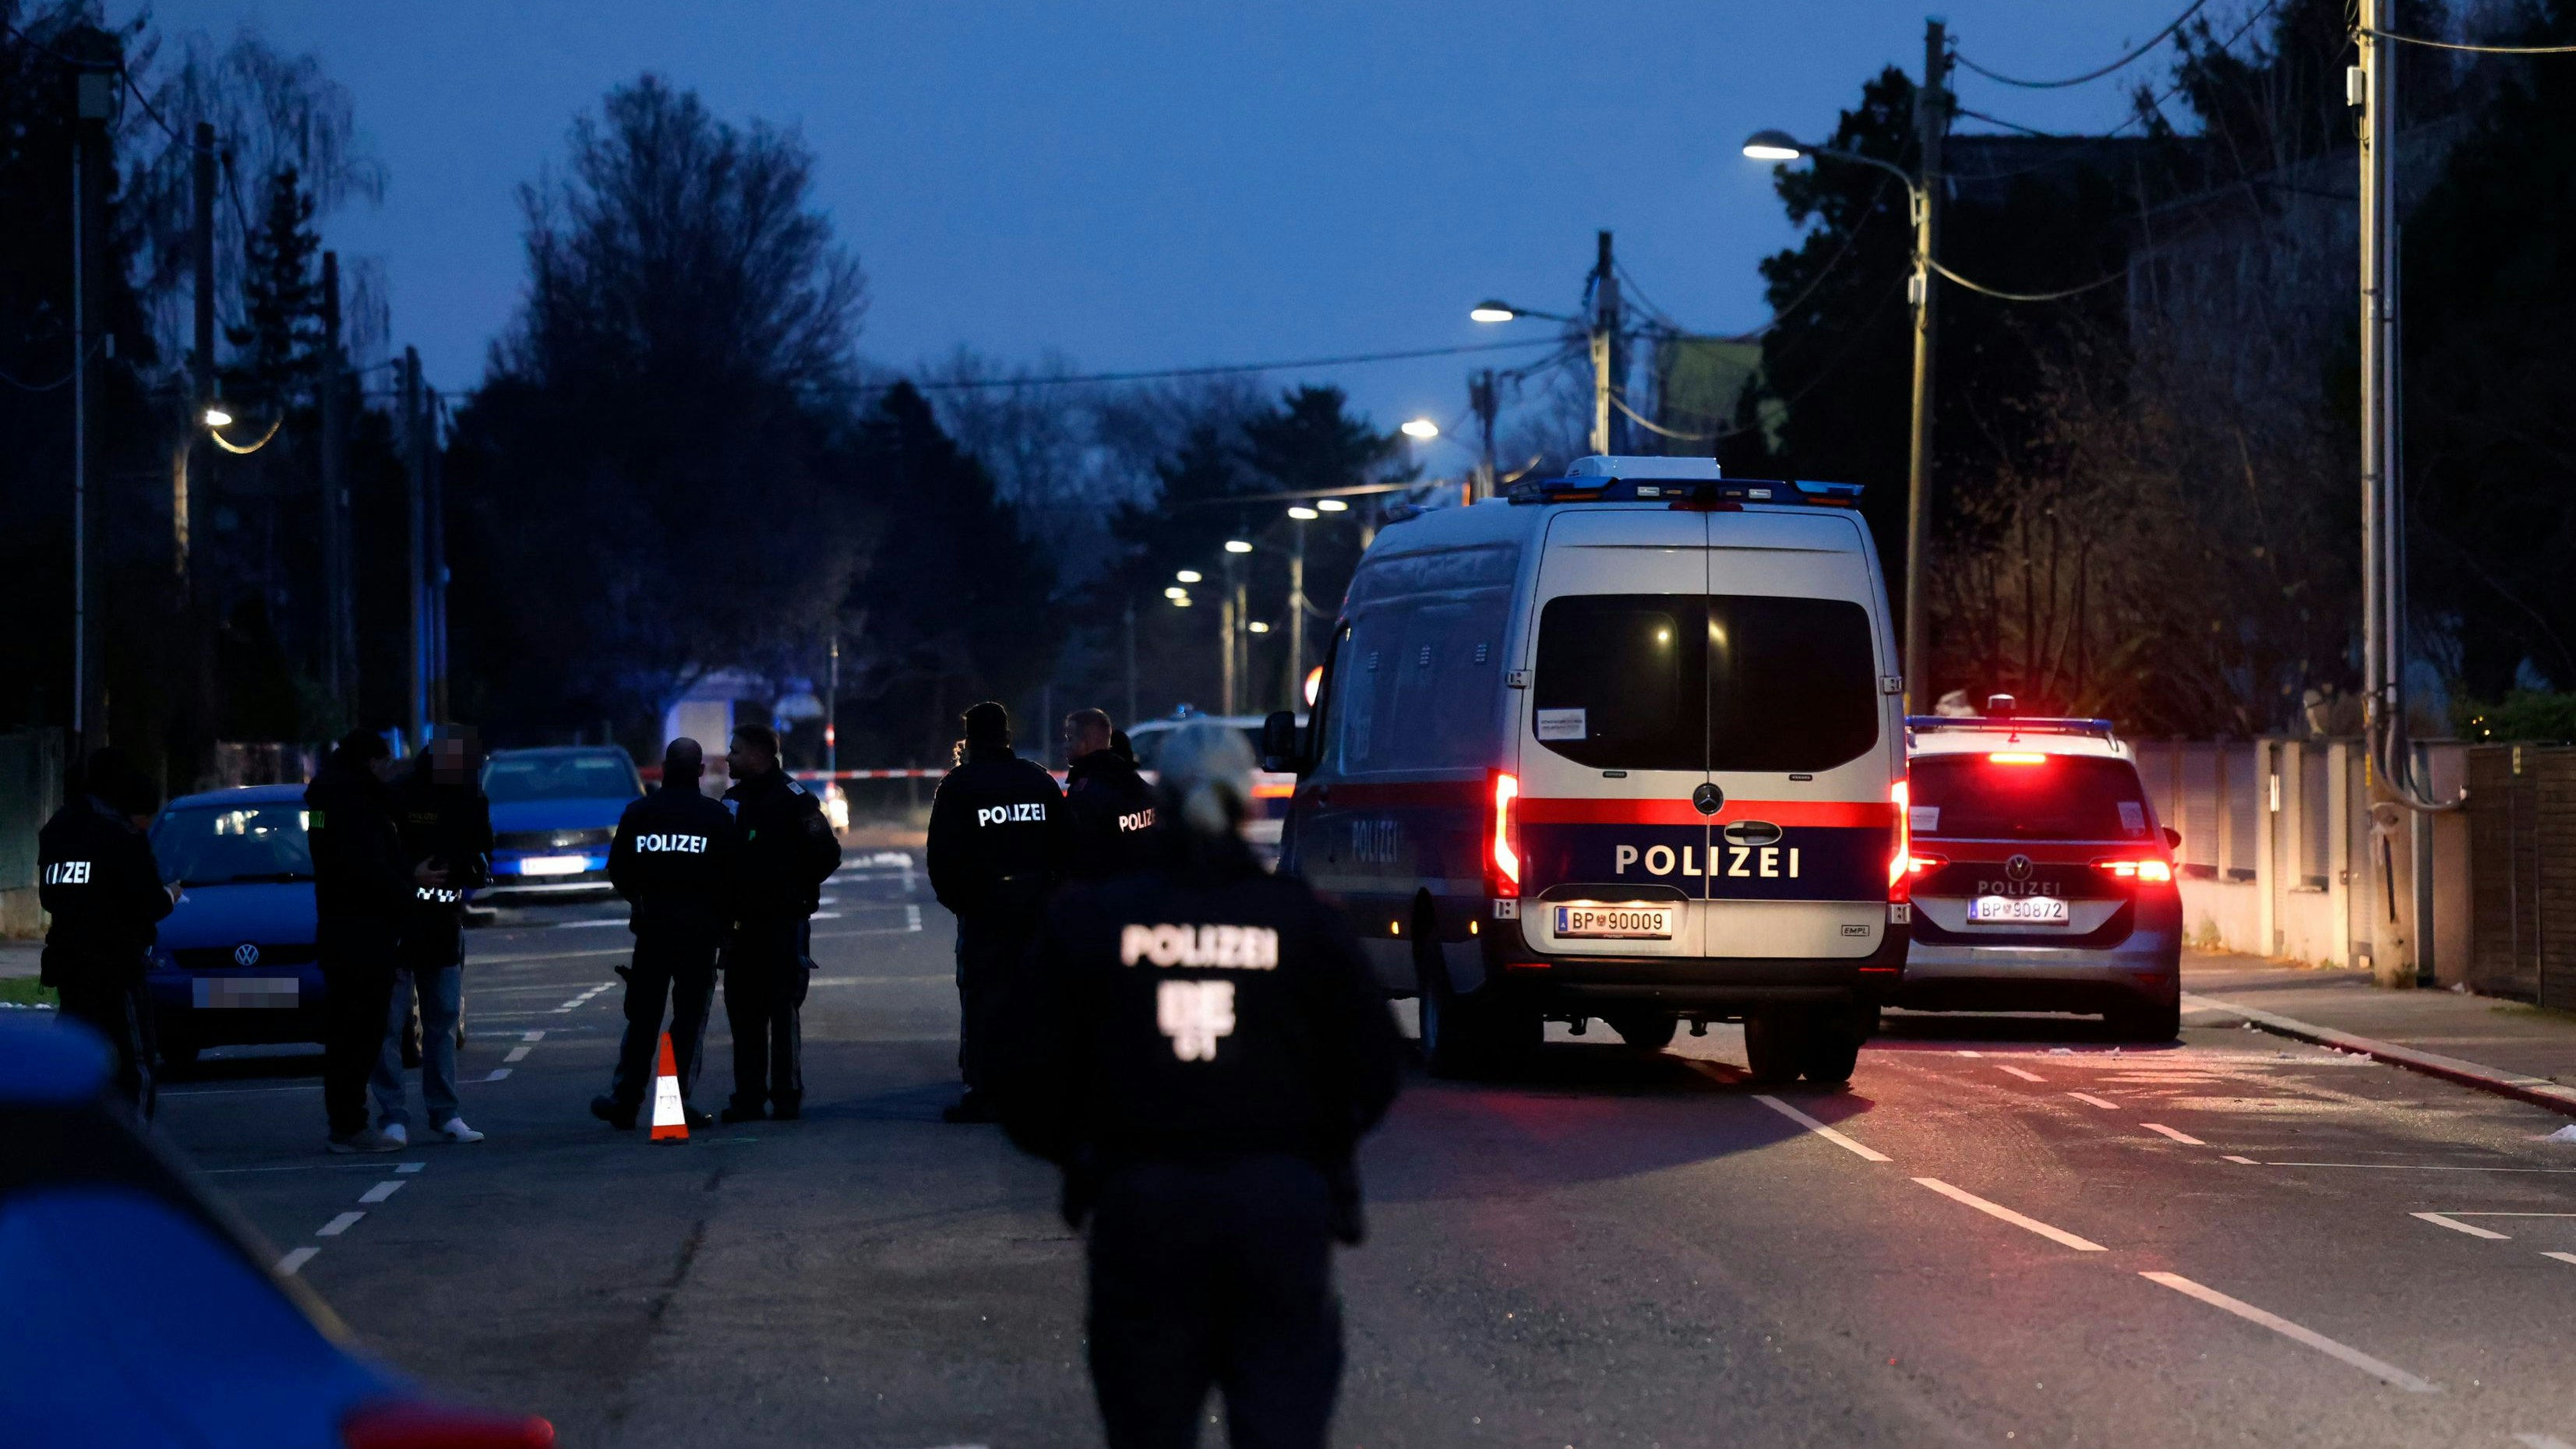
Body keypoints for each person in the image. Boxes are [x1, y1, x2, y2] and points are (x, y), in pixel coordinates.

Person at [993, 721, 1403, 1449]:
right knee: (1280, 1420)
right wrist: (1321, 1151)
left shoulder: (1092, 919)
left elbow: (1022, 1070)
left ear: (1167, 799)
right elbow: (1373, 1062)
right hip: (1280, 1204)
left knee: (1149, 1424)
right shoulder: (1304, 923)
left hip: (1141, 1203)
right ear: (1247, 803)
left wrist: (1084, 1156)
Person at [925, 700, 1071, 1123]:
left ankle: (984, 1092)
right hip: (1038, 907)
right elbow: (1068, 844)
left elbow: (941, 857)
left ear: (969, 740)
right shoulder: (1038, 781)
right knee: (1035, 998)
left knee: (983, 1000)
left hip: (986, 911)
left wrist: (963, 904)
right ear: (1007, 737)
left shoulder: (959, 786)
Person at [592, 738, 736, 1130]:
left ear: (664, 767)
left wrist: (642, 900)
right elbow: (731, 878)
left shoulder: (639, 814)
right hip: (700, 936)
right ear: (701, 771)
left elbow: (619, 870)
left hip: (653, 932)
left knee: (642, 1020)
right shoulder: (717, 818)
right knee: (687, 1023)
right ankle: (675, 1105)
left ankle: (626, 1102)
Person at [371, 729, 494, 1147]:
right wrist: (411, 872)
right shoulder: (401, 793)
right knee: (389, 1024)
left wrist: (469, 869)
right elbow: (377, 854)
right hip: (399, 921)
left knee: (441, 1020)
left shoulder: (469, 794)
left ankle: (445, 1113)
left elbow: (482, 848)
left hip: (443, 919)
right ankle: (393, 1115)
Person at [37, 749, 175, 1118]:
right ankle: (135, 1148)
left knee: (76, 1060)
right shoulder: (120, 836)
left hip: (70, 967)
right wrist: (170, 895)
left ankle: (78, 1140)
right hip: (116, 969)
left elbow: (50, 896)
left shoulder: (57, 829)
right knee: (135, 1062)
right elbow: (149, 902)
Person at [718, 724, 841, 1123]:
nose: (728, 758)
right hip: (741, 925)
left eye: (735, 751)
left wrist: (792, 889)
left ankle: (787, 1096)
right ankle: (749, 1098)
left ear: (758, 756)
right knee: (743, 1011)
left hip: (783, 923)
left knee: (782, 1008)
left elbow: (827, 854)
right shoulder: (733, 800)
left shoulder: (794, 801)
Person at [307, 730, 418, 1153]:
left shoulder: (326, 799)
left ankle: (347, 1120)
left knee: (348, 1032)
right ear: (369, 762)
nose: (389, 770)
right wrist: (407, 895)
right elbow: (369, 865)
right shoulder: (353, 804)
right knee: (360, 1031)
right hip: (363, 931)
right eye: (384, 761)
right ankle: (349, 1124)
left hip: (342, 929)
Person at [1060, 708, 1159, 882]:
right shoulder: (1134, 782)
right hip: (1145, 886)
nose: (1065, 745)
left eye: (1070, 739)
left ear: (1085, 744)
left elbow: (1077, 852)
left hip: (1105, 891)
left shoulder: (1086, 791)